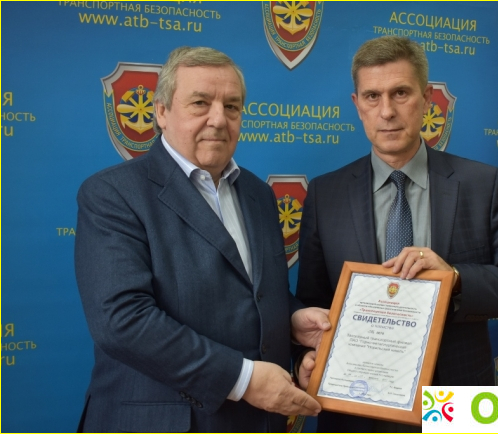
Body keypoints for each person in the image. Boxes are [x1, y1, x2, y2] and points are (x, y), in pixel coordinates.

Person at [295, 36, 498, 432]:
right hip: (355, 407)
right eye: (372, 96)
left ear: (427, 98)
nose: (387, 111)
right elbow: (311, 304)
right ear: (357, 105)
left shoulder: (481, 184)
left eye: (400, 93)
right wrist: (305, 358)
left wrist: (455, 278)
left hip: (455, 406)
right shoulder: (324, 194)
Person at [74, 46, 330, 433]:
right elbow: (122, 320)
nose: (219, 119)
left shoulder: (259, 195)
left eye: (232, 106)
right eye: (200, 103)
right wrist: (243, 380)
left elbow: (255, 294)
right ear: (161, 112)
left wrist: (292, 319)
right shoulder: (113, 194)